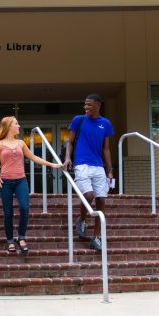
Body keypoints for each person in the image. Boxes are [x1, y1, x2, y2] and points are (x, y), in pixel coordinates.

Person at [0, 116, 62, 254]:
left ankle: (21, 237)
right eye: (16, 124)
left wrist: (52, 164)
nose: (19, 126)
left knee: (24, 207)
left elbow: (34, 157)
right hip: (5, 181)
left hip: (21, 180)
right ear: (9, 126)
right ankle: (10, 240)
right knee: (8, 213)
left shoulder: (21, 143)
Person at [62, 94, 114, 251]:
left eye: (89, 105)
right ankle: (82, 219)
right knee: (88, 195)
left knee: (101, 201)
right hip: (81, 164)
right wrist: (67, 158)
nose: (86, 107)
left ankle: (96, 238)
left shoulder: (105, 124)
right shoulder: (79, 120)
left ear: (98, 105)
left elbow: (106, 148)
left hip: (98, 166)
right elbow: (70, 142)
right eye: (85, 105)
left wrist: (110, 170)